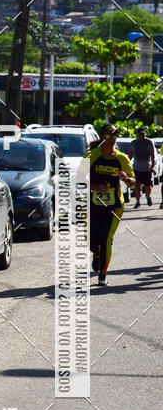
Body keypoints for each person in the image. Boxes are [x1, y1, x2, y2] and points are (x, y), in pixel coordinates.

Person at [82, 123, 135, 287]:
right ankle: (96, 254)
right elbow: (79, 180)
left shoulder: (121, 158)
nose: (113, 139)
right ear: (103, 136)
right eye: (110, 135)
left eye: (115, 136)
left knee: (106, 239)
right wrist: (95, 187)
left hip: (114, 205)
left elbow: (133, 182)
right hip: (92, 204)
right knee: (90, 239)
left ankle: (103, 274)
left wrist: (125, 178)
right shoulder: (92, 155)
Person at [129, 127, 155, 207]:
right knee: (137, 185)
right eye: (140, 134)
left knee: (147, 186)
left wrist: (152, 166)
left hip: (147, 168)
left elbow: (152, 155)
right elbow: (131, 154)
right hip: (137, 168)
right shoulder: (134, 143)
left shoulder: (149, 142)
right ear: (137, 135)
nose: (142, 136)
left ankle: (148, 196)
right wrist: (127, 163)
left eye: (143, 134)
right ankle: (138, 202)